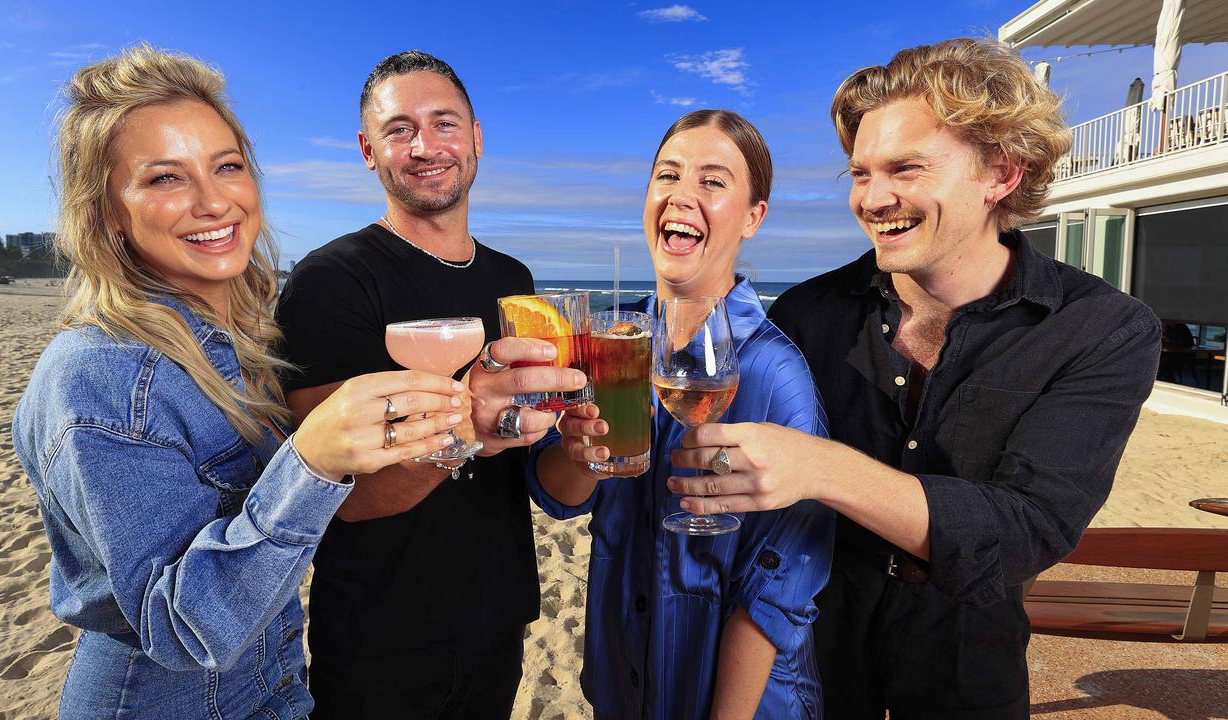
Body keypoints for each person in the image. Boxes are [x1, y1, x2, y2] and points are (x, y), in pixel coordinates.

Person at [670, 39, 1161, 718]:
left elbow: (1030, 528)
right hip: (812, 653)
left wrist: (822, 468)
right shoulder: (807, 314)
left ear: (1003, 172)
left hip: (967, 658)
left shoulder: (1103, 328)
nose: (872, 199)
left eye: (905, 168)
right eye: (860, 172)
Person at [10, 45, 465, 719]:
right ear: (107, 209)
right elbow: (181, 628)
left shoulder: (235, 343)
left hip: (272, 685)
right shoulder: (101, 373)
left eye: (227, 166)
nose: (212, 200)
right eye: (165, 178)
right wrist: (312, 460)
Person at [275, 50, 583, 719]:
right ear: (367, 150)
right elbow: (336, 497)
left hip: (500, 619)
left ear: (477, 137)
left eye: (444, 124)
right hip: (380, 638)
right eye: (398, 129)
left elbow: (534, 467)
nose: (424, 146)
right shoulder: (330, 283)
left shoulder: (514, 281)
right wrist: (465, 425)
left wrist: (585, 451)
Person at [527, 110, 833, 719]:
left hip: (737, 700)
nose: (682, 195)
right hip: (623, 677)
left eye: (713, 181)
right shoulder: (613, 339)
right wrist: (580, 455)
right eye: (667, 175)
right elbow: (560, 495)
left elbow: (784, 585)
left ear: (753, 218)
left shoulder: (774, 371)